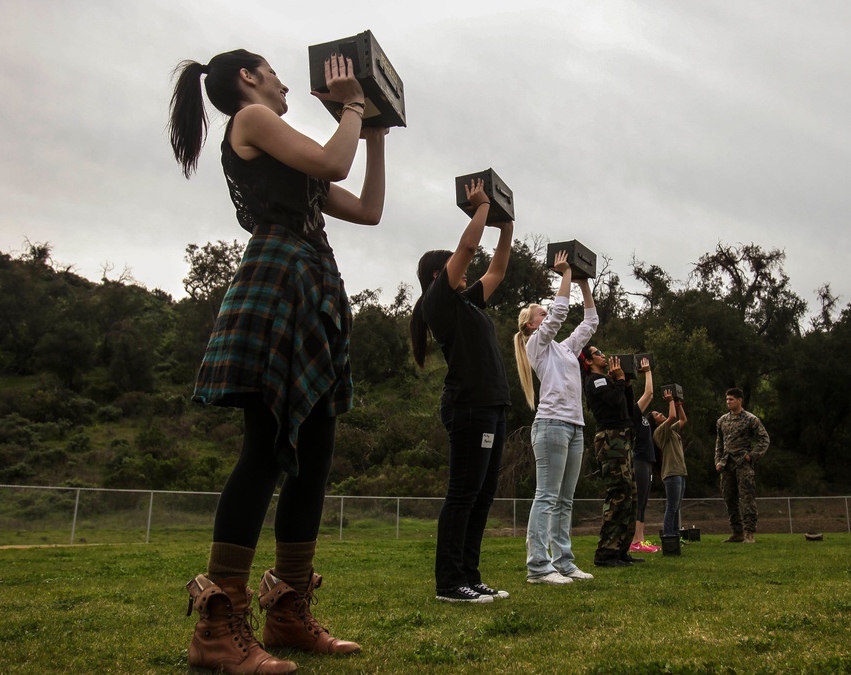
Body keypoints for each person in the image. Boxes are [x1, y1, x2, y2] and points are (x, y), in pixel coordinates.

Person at [169, 49, 387, 673]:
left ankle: (288, 616)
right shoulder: (251, 119)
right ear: (247, 78)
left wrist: (374, 131)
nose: (286, 83)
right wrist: (349, 108)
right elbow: (330, 157)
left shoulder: (287, 147)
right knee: (266, 449)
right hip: (278, 277)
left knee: (314, 455)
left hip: (310, 279)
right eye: (275, 73)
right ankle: (218, 629)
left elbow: (369, 209)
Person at [409, 179, 514, 603]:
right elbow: (469, 250)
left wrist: (505, 224)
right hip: (469, 407)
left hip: (492, 406)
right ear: (439, 273)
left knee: (482, 495)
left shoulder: (468, 301)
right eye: (454, 264)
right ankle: (449, 583)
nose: (465, 267)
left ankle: (469, 575)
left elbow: (498, 269)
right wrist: (482, 208)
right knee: (463, 494)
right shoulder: (439, 301)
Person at [513, 250, 599, 584]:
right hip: (550, 426)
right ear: (531, 325)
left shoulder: (563, 349)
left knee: (565, 499)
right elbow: (561, 311)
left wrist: (583, 283)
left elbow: (589, 323)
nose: (548, 316)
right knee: (547, 497)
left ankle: (563, 561)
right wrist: (564, 273)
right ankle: (538, 566)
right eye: (542, 315)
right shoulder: (536, 344)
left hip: (574, 426)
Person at [581, 348, 641, 567]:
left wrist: (625, 384)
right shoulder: (595, 381)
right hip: (611, 440)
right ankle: (606, 553)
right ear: (588, 361)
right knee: (618, 494)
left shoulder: (607, 381)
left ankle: (621, 549)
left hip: (623, 439)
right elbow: (613, 401)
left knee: (629, 494)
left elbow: (625, 404)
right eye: (598, 354)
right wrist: (619, 380)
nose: (603, 356)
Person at [714, 388, 770, 543]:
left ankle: (750, 533)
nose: (728, 402)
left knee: (747, 498)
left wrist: (751, 455)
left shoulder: (751, 419)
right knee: (729, 498)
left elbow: (764, 439)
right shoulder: (722, 421)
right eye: (727, 399)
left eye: (731, 399)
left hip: (743, 464)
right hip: (726, 464)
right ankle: (737, 532)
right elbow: (719, 443)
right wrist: (717, 461)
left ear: (739, 400)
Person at [628, 358, 659, 553]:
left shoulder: (642, 418)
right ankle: (634, 541)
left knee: (644, 502)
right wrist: (647, 371)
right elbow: (649, 393)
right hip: (638, 460)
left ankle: (640, 539)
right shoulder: (632, 414)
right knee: (638, 500)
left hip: (647, 461)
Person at [652, 388, 688, 540]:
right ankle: (668, 536)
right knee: (671, 506)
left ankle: (675, 535)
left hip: (679, 472)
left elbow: (683, 420)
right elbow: (672, 416)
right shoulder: (659, 432)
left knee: (676, 507)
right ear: (654, 422)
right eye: (657, 415)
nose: (661, 414)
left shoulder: (671, 431)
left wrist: (679, 404)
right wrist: (670, 401)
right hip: (671, 473)